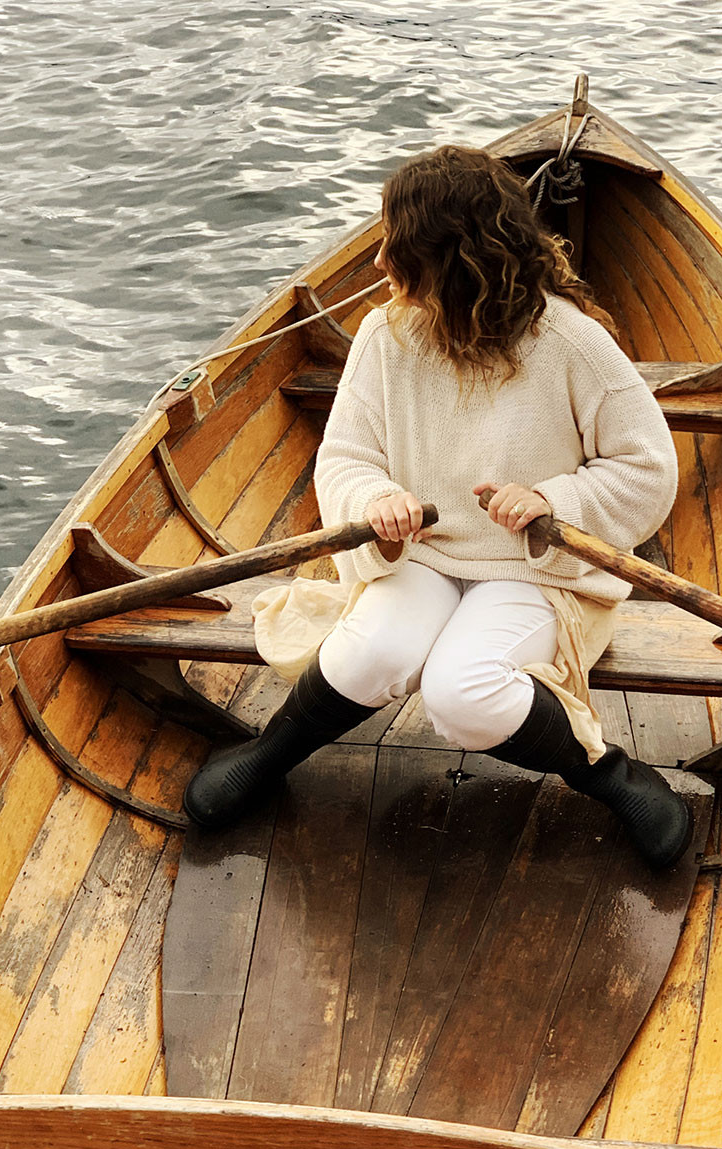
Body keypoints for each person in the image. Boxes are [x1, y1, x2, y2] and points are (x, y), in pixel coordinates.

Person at [183, 144, 692, 869]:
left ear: (456, 257)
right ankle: (269, 753)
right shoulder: (383, 335)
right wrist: (379, 501)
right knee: (370, 658)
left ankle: (610, 775)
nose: (382, 263)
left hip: (532, 573)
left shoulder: (574, 342)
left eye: (399, 246)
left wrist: (550, 500)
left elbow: (648, 471)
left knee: (462, 696)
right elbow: (346, 459)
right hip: (420, 555)